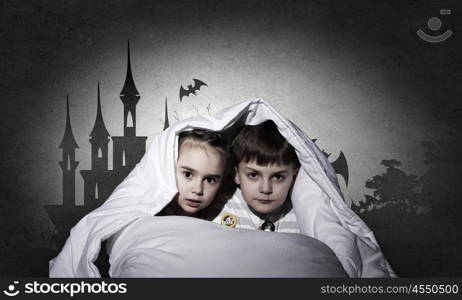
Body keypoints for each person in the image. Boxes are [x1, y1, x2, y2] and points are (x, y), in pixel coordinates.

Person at [211, 120, 301, 232]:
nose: (265, 189)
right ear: (236, 174)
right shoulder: (222, 207)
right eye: (253, 175)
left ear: (294, 176)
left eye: (277, 177)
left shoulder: (301, 215)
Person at [157, 129, 230, 218]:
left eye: (210, 180)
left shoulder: (223, 218)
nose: (198, 190)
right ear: (169, 170)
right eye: (188, 174)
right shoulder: (150, 216)